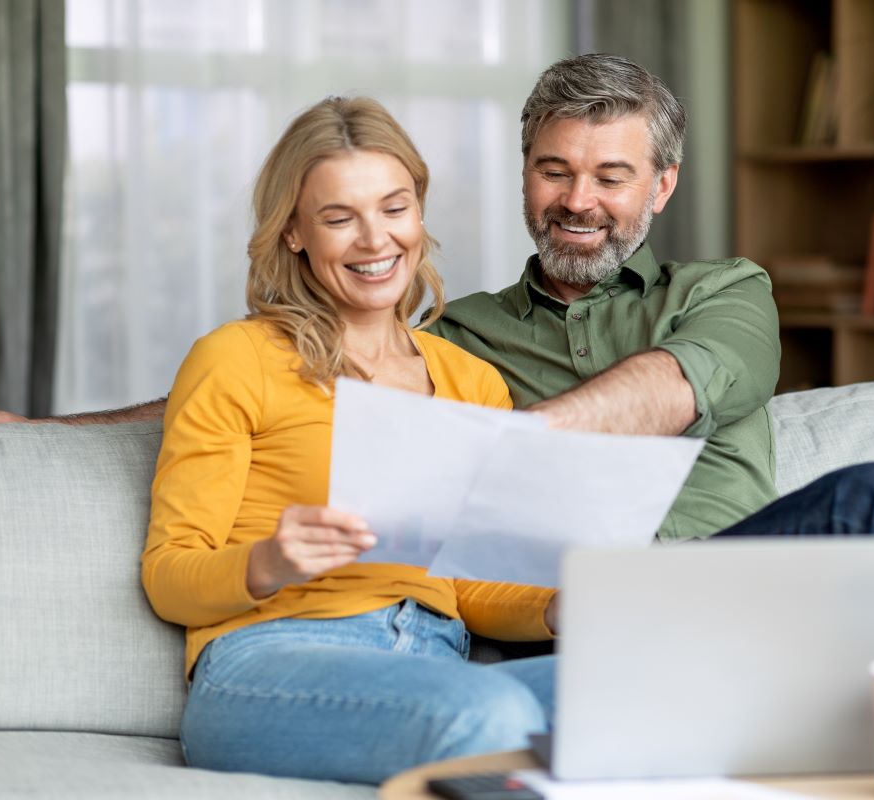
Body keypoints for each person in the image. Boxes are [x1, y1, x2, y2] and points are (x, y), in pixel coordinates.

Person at [0, 54, 874, 799]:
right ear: (525, 175)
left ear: (659, 185)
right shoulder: (455, 341)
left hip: (693, 586)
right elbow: (250, 391)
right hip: (512, 625)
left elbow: (665, 388)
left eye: (611, 174)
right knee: (534, 701)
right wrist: (40, 426)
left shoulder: (703, 298)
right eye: (556, 169)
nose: (580, 198)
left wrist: (495, 455)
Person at [140, 95, 559, 785]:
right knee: (485, 714)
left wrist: (557, 605)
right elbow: (168, 576)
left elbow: (474, 585)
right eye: (340, 218)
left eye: (394, 209)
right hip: (269, 664)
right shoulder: (236, 358)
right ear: (296, 233)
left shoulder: (471, 380)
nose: (375, 241)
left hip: (434, 663)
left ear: (418, 215)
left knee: (650, 691)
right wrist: (270, 561)